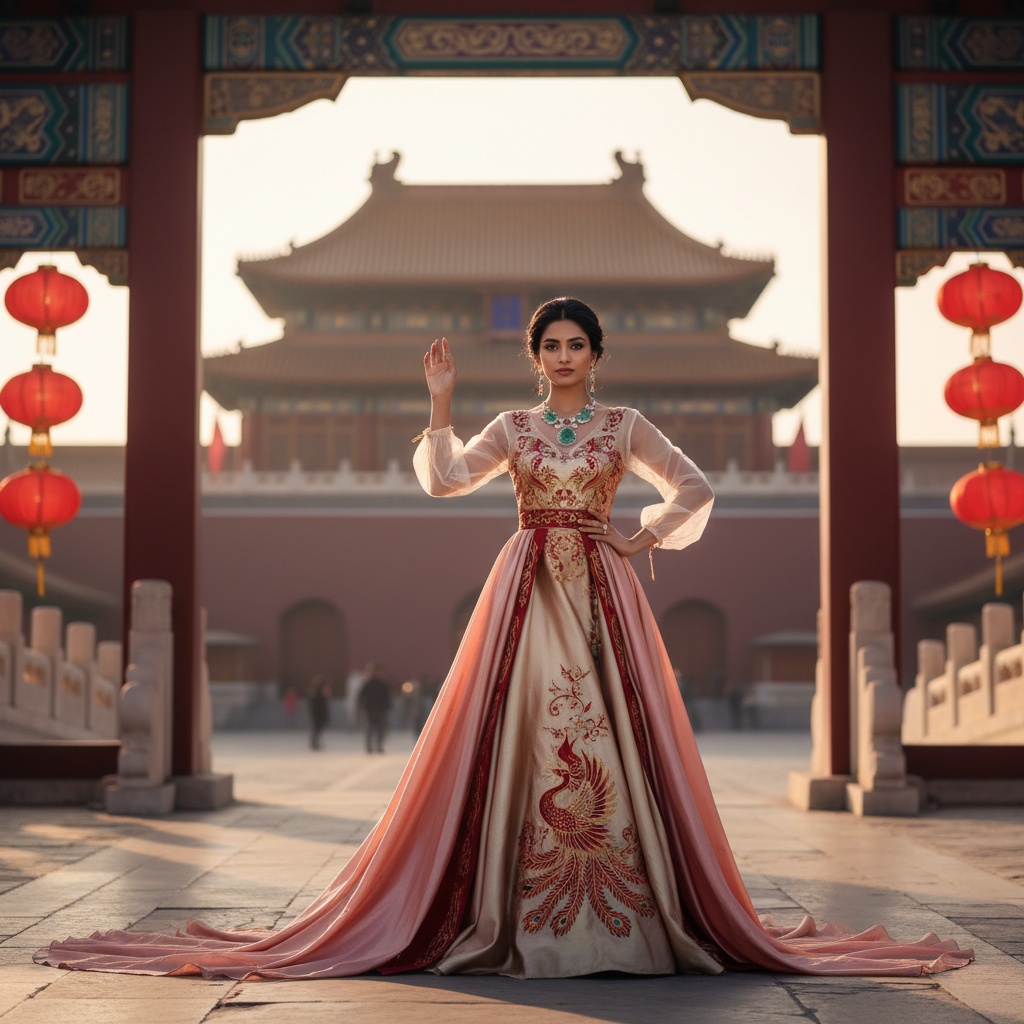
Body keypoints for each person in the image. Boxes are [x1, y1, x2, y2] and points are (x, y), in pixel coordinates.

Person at [35, 297, 972, 980]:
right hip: (524, 585)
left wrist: (642, 533)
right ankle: (513, 911)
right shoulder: (514, 426)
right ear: (535, 357)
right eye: (551, 345)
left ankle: (628, 915)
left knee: (616, 734)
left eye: (577, 344)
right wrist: (440, 404)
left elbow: (695, 486)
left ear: (597, 354)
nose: (564, 356)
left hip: (603, 586)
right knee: (519, 730)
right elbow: (444, 482)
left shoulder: (623, 425)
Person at [357, 662, 392, 753]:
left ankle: (377, 746)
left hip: (378, 709)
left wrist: (386, 706)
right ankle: (370, 747)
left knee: (378, 730)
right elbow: (361, 697)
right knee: (371, 729)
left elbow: (387, 696)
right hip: (370, 710)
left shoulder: (381, 683)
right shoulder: (367, 683)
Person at [307, 677, 330, 751]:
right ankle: (314, 743)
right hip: (318, 714)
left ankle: (314, 742)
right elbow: (319, 705)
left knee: (317, 729)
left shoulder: (315, 693)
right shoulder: (316, 694)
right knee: (317, 729)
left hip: (317, 714)